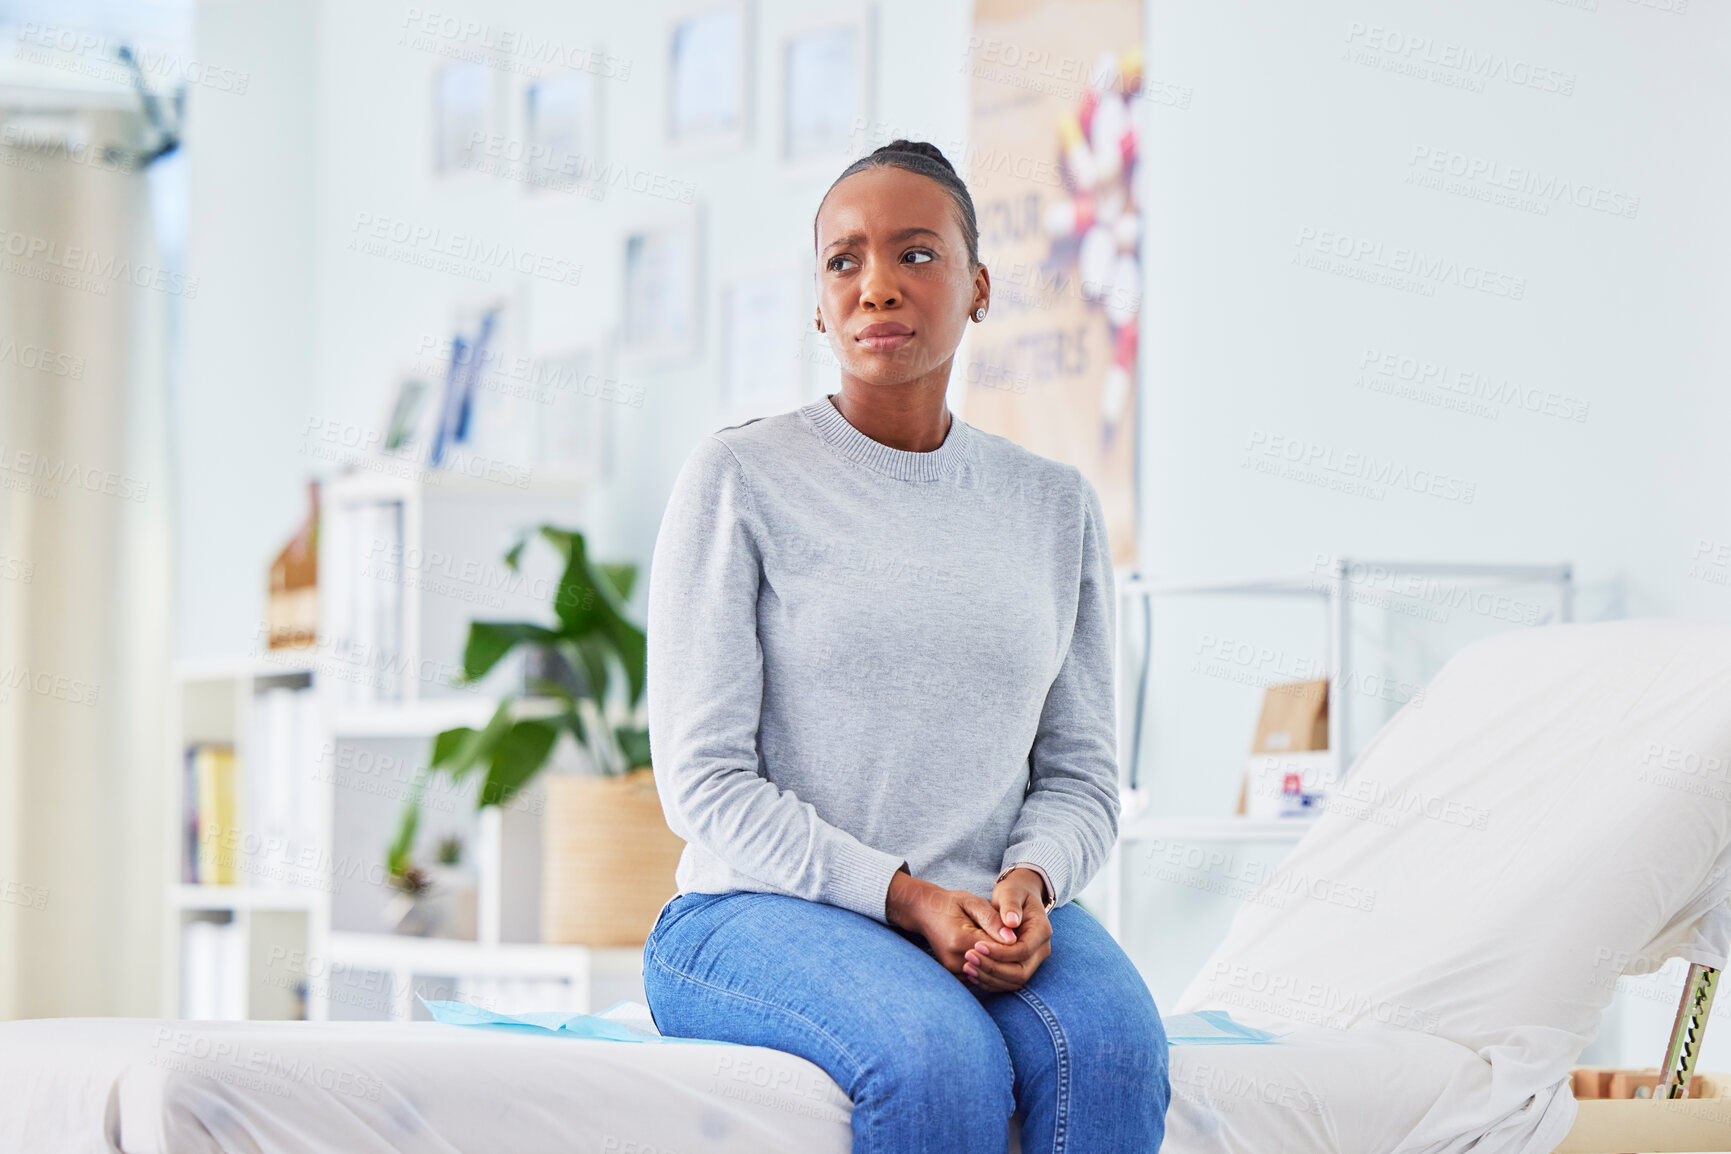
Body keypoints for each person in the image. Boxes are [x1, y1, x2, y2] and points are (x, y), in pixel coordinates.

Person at [641, 138, 1169, 1154]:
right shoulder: (740, 478)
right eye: (845, 260)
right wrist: (908, 895)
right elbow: (704, 782)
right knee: (937, 1060)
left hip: (986, 912)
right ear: (817, 300)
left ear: (977, 285)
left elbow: (1082, 774)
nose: (877, 285)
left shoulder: (1053, 507)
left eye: (916, 255)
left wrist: (1033, 881)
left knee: (1111, 1055)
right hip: (756, 911)